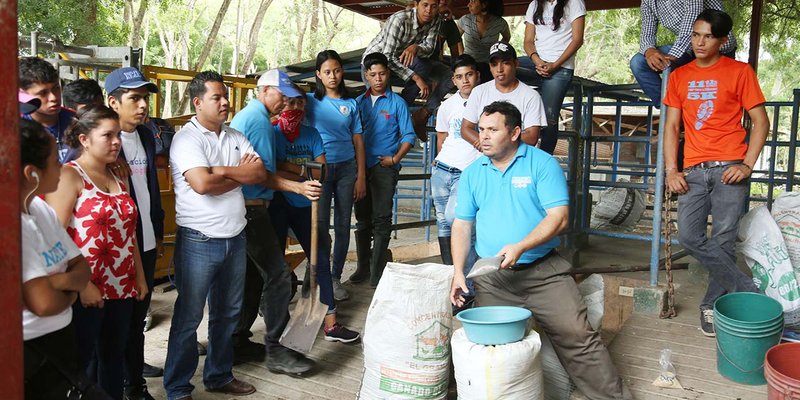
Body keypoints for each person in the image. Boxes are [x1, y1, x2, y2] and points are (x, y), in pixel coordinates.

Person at [451, 101, 631, 399]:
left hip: (544, 272)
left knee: (578, 336)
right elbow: (461, 225)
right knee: (494, 348)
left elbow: (559, 218)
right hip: (494, 278)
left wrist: (522, 245)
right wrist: (459, 273)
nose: (482, 136)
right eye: (481, 129)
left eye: (492, 130)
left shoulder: (541, 164)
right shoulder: (473, 172)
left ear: (514, 132)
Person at [163, 71, 266, 399]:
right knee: (189, 316)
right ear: (197, 102)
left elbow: (259, 172)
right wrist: (238, 175)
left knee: (227, 313)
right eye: (217, 98)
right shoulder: (187, 139)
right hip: (198, 240)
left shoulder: (234, 136)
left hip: (235, 238)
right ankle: (178, 387)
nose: (225, 103)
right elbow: (202, 185)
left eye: (226, 97)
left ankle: (219, 375)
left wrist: (220, 170)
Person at [663, 9, 767, 337]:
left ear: (722, 41)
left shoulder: (739, 72)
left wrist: (746, 164)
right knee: (689, 237)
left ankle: (710, 306)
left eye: (707, 36)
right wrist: (671, 170)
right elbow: (672, 127)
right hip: (693, 170)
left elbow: (761, 121)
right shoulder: (680, 76)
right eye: (695, 35)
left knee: (723, 240)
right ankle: (745, 287)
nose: (699, 42)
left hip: (729, 170)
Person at [45, 105, 149, 400]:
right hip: (88, 287)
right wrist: (84, 285)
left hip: (123, 284)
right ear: (84, 139)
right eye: (107, 135)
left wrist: (139, 277)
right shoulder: (70, 176)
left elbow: (128, 234)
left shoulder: (118, 176)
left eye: (117, 135)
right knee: (84, 362)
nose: (116, 142)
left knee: (114, 357)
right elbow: (55, 237)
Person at [228, 69, 320, 370]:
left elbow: (264, 167)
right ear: (264, 90)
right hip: (251, 208)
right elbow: (260, 174)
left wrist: (296, 174)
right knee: (279, 275)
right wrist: (298, 186)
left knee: (253, 276)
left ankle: (238, 341)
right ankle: (275, 349)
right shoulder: (257, 120)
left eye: (290, 97)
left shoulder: (255, 118)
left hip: (249, 207)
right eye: (281, 95)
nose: (285, 102)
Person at [269, 90, 361, 342]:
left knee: (319, 259)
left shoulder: (311, 134)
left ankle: (331, 323)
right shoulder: (272, 133)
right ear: (281, 104)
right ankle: (275, 326)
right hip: (278, 202)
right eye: (290, 102)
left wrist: (290, 167)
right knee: (276, 265)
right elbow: (270, 167)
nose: (295, 107)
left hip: (305, 205)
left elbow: (321, 170)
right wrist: (301, 169)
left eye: (300, 103)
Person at [20, 118, 94, 399]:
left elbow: (81, 266)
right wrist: (71, 293)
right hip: (34, 350)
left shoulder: (39, 208)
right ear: (32, 173)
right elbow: (44, 302)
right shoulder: (15, 225)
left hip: (61, 338)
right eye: (54, 160)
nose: (62, 167)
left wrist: (60, 282)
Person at [104, 66, 165, 400]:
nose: (142, 105)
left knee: (138, 319)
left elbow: (148, 188)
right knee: (118, 325)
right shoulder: (107, 143)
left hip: (147, 239)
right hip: (117, 248)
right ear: (113, 103)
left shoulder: (145, 136)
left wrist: (156, 225)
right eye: (134, 98)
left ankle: (135, 386)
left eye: (144, 98)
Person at [305, 50, 366, 301]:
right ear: (318, 74)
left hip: (346, 169)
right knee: (317, 226)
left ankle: (334, 278)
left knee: (342, 226)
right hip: (319, 170)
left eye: (337, 71)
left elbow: (358, 141)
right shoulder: (308, 101)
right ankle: (315, 277)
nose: (333, 76)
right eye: (327, 72)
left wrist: (361, 175)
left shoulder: (351, 104)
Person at [352, 53, 416, 288]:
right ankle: (362, 267)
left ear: (388, 74)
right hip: (360, 169)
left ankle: (376, 273)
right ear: (366, 76)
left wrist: (395, 157)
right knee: (362, 219)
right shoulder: (357, 103)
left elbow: (409, 134)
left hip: (384, 168)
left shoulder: (397, 103)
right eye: (373, 74)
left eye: (382, 73)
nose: (378, 79)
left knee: (382, 219)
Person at [363, 0, 451, 140]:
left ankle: (420, 115)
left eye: (434, 6)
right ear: (416, 4)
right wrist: (417, 78)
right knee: (384, 111)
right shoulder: (399, 19)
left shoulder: (436, 20)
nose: (429, 10)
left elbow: (428, 50)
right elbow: (387, 57)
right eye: (425, 5)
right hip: (377, 63)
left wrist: (416, 47)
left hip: (405, 60)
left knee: (450, 75)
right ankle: (393, 119)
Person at [431, 54, 481, 279]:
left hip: (468, 170)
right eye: (460, 77)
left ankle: (467, 272)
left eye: (469, 75)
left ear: (477, 75)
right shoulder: (447, 105)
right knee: (442, 220)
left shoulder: (486, 101)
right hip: (443, 169)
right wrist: (438, 157)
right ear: (453, 80)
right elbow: (442, 136)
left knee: (457, 217)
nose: (465, 80)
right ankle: (451, 274)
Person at [630, 0, 736, 107]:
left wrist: (674, 55)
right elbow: (647, 31)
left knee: (717, 100)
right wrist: (649, 51)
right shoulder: (648, 2)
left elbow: (693, 17)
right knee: (638, 63)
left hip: (718, 48)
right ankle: (669, 110)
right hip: (689, 48)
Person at [523, 0, 585, 154]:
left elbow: (577, 40)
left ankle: (543, 161)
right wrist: (537, 61)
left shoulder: (574, 3)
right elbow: (528, 41)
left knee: (549, 118)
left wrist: (554, 65)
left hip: (561, 66)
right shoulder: (534, 4)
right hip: (537, 62)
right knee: (505, 67)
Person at [461, 41, 546, 149]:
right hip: (484, 161)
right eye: (494, 64)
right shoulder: (479, 92)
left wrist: (497, 145)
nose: (499, 69)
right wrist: (483, 144)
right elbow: (465, 128)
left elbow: (531, 136)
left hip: (516, 162)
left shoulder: (531, 96)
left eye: (505, 63)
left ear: (516, 63)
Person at [19, 57, 79, 164]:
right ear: (22, 95)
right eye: (43, 93)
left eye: (56, 88)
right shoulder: (16, 130)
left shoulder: (79, 122)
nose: (53, 97)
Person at [457, 0, 510, 82]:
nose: (468, 5)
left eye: (473, 1)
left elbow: (506, 38)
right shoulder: (465, 20)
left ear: (484, 5)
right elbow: (456, 38)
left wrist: (496, 53)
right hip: (467, 63)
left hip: (488, 64)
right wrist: (461, 55)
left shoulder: (499, 23)